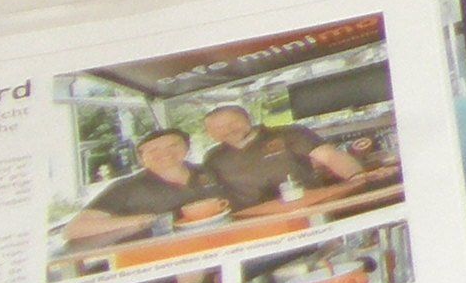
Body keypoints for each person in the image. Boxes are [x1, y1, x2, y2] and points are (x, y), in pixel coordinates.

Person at [63, 131, 230, 248]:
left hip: (219, 245)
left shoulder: (208, 171)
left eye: (173, 146)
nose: (165, 153)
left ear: (187, 149)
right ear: (142, 159)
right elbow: (74, 229)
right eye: (153, 150)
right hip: (158, 258)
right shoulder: (126, 187)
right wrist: (139, 220)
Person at [197, 106, 364, 210]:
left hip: (310, 209)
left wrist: (357, 177)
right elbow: (212, 195)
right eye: (218, 128)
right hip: (255, 223)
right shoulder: (213, 158)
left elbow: (330, 156)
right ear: (210, 134)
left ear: (248, 118)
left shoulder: (289, 134)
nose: (228, 130)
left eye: (233, 122)